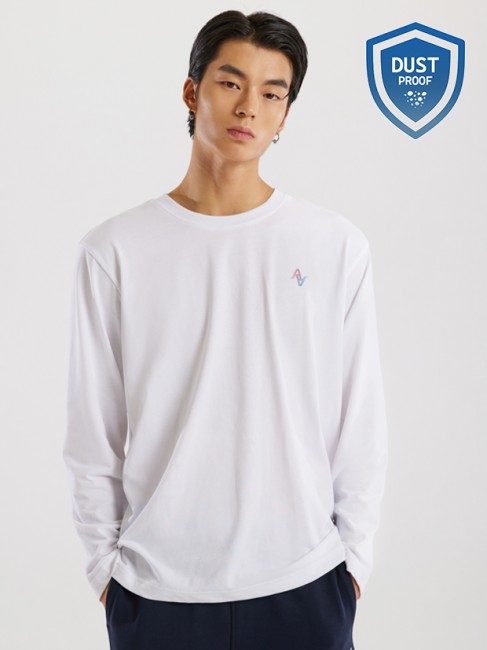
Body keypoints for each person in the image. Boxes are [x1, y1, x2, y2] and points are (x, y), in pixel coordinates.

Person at [62, 9, 388, 650]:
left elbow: (360, 420)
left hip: (306, 580)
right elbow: (91, 432)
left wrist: (352, 566)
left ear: (285, 114)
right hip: (157, 591)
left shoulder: (333, 245)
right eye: (231, 83)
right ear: (192, 91)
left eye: (273, 93)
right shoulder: (114, 250)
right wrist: (106, 571)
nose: (249, 108)